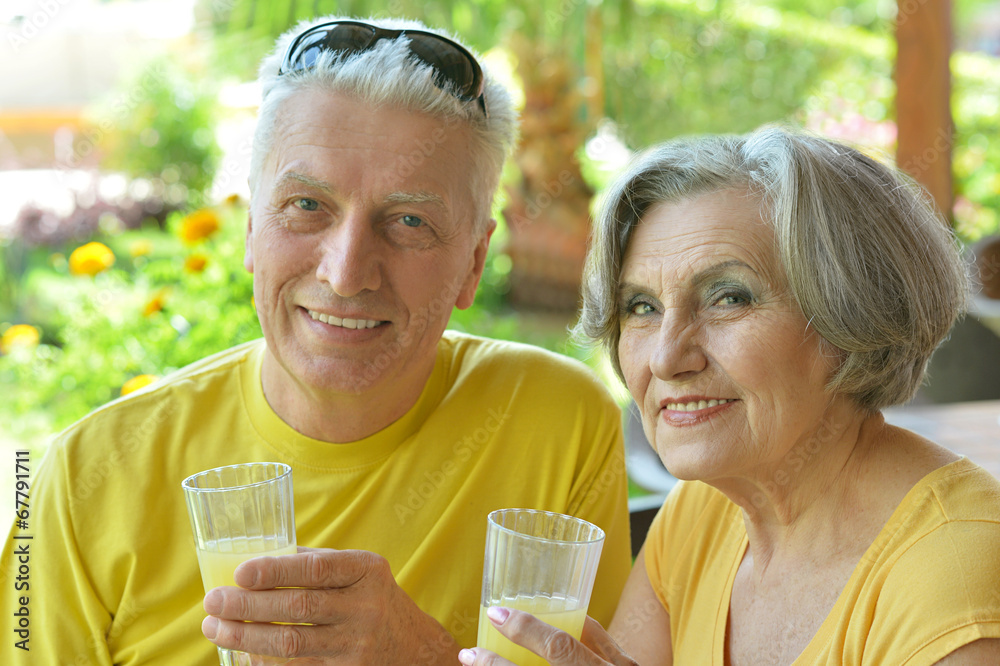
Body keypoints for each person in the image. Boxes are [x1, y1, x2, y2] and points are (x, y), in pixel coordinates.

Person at [0, 16, 632, 666]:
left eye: (409, 220)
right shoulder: (83, 480)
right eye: (307, 206)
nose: (346, 272)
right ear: (250, 230)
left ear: (473, 264)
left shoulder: (560, 426)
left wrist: (427, 657)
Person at [460, 127, 1000, 666]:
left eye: (728, 298)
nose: (666, 358)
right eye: (642, 307)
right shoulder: (699, 516)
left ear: (852, 317)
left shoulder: (953, 570)